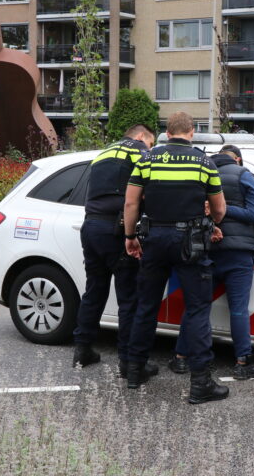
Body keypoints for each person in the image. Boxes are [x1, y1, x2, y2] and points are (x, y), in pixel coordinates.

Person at [123, 112, 229, 404]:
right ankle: (200, 383)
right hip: (190, 242)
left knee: (146, 305)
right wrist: (214, 221)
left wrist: (130, 237)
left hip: (153, 239)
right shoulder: (204, 162)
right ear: (191, 132)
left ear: (166, 133)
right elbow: (218, 209)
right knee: (196, 309)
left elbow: (131, 202)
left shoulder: (147, 160)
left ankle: (135, 370)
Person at [168, 145, 254, 380]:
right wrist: (228, 209)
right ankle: (243, 362)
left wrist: (216, 209)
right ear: (238, 159)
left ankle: (181, 358)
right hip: (238, 253)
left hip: (206, 250)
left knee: (196, 306)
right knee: (238, 309)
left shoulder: (203, 173)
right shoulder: (245, 175)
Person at [72, 125, 156, 380]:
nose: (149, 148)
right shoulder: (141, 153)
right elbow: (146, 193)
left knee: (94, 290)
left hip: (90, 227)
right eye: (150, 143)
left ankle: (82, 350)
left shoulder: (102, 154)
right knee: (128, 297)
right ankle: (128, 362)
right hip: (117, 229)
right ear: (142, 136)